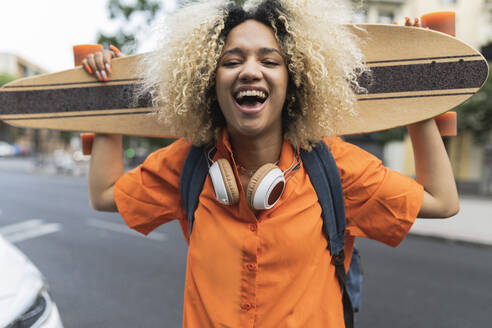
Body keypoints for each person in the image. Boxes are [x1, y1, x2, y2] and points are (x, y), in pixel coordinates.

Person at [83, 0, 459, 327]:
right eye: (232, 61)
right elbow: (104, 195)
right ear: (208, 82)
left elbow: (442, 201)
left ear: (293, 80)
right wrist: (106, 97)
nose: (250, 71)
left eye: (269, 60)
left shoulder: (333, 165)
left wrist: (416, 95)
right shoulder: (190, 162)